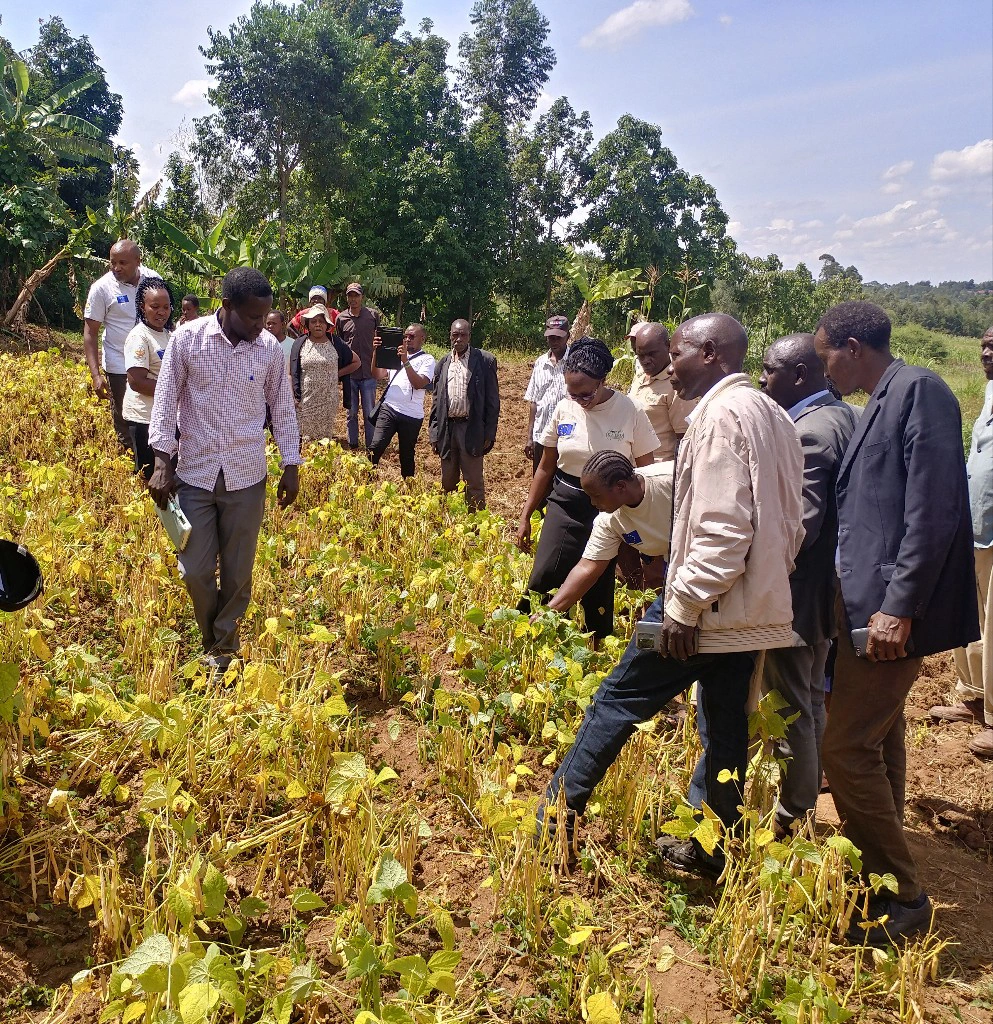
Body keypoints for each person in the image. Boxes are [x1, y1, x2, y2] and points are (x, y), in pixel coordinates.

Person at [541, 314, 804, 876]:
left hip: (703, 606)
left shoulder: (719, 416)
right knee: (725, 730)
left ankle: (552, 820)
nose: (662, 365)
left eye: (677, 352)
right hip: (747, 610)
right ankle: (709, 848)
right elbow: (791, 523)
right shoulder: (772, 414)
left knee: (616, 700)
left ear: (709, 353)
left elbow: (722, 530)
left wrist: (682, 606)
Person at [814, 300, 978, 944]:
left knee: (843, 745)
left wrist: (899, 606)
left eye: (827, 351)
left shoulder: (922, 393)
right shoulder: (882, 398)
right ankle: (877, 874)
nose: (824, 364)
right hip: (863, 608)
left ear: (853, 347)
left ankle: (903, 894)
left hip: (887, 611)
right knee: (878, 740)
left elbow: (934, 511)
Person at [147, 267, 301, 672]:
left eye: (264, 316)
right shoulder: (187, 340)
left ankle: (223, 649)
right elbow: (165, 402)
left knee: (237, 574)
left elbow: (282, 408)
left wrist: (291, 463)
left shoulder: (268, 349)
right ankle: (211, 634)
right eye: (252, 316)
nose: (259, 324)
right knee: (196, 572)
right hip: (194, 473)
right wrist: (162, 460)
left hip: (247, 474)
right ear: (227, 306)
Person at [755, 333, 859, 832]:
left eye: (769, 369)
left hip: (798, 594)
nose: (761, 378)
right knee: (813, 697)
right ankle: (805, 798)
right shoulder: (846, 416)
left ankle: (791, 812)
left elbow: (802, 526)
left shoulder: (807, 432)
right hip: (829, 590)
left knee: (790, 705)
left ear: (799, 376)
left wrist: (757, 573)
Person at [516, 337, 659, 640]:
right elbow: (545, 466)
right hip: (566, 500)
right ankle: (536, 639)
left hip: (613, 508)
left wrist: (644, 519)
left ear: (603, 380)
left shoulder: (629, 410)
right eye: (573, 393)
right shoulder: (564, 408)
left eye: (586, 393)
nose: (579, 399)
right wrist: (526, 514)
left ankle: (595, 645)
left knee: (601, 584)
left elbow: (647, 472)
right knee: (544, 574)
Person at [931, 326, 993, 759]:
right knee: (971, 614)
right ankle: (973, 696)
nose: (986, 350)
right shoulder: (990, 394)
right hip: (976, 529)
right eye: (985, 343)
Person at [538, 450, 673, 617]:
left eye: (596, 496)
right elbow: (588, 567)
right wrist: (550, 611)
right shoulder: (609, 520)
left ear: (621, 486)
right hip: (674, 565)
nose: (593, 503)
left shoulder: (671, 480)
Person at [83, 239, 153, 450]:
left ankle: (150, 458)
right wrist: (96, 375)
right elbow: (90, 332)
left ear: (138, 261)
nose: (116, 268)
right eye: (112, 262)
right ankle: (132, 464)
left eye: (123, 263)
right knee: (124, 414)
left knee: (150, 411)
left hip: (151, 362)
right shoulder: (101, 289)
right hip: (119, 363)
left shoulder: (153, 280)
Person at [429, 320, 500, 511]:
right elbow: (437, 401)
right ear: (450, 335)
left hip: (472, 428)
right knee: (448, 481)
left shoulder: (484, 360)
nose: (458, 339)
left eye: (463, 335)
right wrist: (434, 432)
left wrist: (489, 433)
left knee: (473, 482)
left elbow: (493, 401)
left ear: (469, 336)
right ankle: (452, 523)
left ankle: (476, 524)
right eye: (455, 335)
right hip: (448, 428)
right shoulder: (443, 363)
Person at [122, 278, 176, 481]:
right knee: (148, 474)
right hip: (143, 417)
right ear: (142, 307)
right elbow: (137, 381)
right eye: (154, 307)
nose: (161, 312)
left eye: (166, 306)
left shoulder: (168, 335)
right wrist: (173, 390)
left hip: (163, 416)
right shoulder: (140, 337)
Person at [369, 324, 436, 477]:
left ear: (422, 339)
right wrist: (376, 352)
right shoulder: (394, 354)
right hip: (389, 408)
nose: (407, 339)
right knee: (375, 447)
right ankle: (364, 483)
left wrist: (405, 361)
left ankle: (409, 489)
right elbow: (377, 375)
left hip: (412, 415)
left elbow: (419, 384)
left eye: (412, 336)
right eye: (405, 336)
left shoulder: (428, 359)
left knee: (406, 455)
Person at [288, 304, 360, 444]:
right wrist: (293, 397)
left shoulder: (336, 343)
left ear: (327, 325)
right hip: (305, 401)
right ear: (308, 325)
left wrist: (336, 373)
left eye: (321, 321)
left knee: (324, 441)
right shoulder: (299, 344)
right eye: (313, 321)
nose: (317, 325)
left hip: (328, 400)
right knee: (304, 439)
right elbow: (291, 373)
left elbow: (356, 362)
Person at [627, 321, 697, 461]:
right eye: (640, 355)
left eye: (651, 354)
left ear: (668, 346)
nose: (645, 360)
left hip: (658, 469)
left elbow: (684, 439)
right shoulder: (640, 377)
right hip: (632, 466)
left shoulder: (677, 385)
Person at [335, 283, 381, 450]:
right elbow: (339, 344)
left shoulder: (372, 316)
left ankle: (371, 446)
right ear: (347, 298)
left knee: (370, 412)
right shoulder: (341, 318)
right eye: (350, 296)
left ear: (362, 297)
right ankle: (353, 444)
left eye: (356, 295)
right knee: (351, 412)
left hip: (369, 372)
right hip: (350, 374)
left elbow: (379, 339)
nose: (353, 299)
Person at [524, 315, 570, 472]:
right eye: (551, 337)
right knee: (541, 480)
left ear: (567, 337)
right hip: (541, 435)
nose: (554, 341)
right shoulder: (540, 363)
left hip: (566, 437)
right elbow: (534, 402)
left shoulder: (575, 362)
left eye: (558, 337)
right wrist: (530, 437)